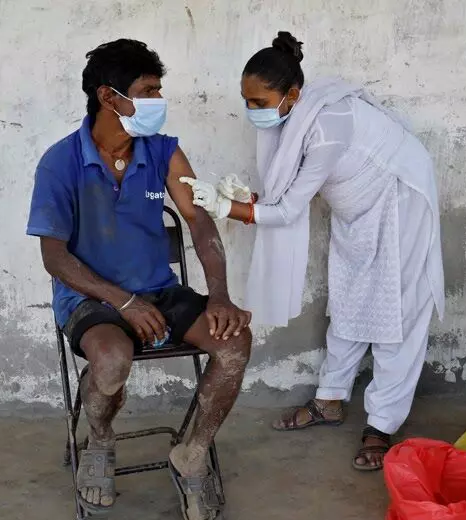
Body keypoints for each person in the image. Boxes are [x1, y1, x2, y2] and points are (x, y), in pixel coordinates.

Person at [181, 32, 445, 471]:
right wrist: (246, 199)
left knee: (397, 316)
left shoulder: (327, 125)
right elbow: (285, 193)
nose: (251, 110)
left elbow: (287, 210)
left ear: (292, 95)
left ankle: (382, 424)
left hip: (400, 202)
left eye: (259, 102)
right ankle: (330, 401)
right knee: (349, 299)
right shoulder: (292, 118)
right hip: (357, 209)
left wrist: (228, 209)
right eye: (246, 100)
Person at [26, 39, 252, 520]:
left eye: (158, 89)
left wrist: (219, 295)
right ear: (109, 97)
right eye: (148, 91)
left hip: (159, 291)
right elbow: (54, 257)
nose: (158, 100)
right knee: (111, 359)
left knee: (234, 343)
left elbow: (199, 222)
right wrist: (123, 301)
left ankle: (192, 454)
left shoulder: (162, 152)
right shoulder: (60, 162)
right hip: (91, 298)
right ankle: (100, 439)